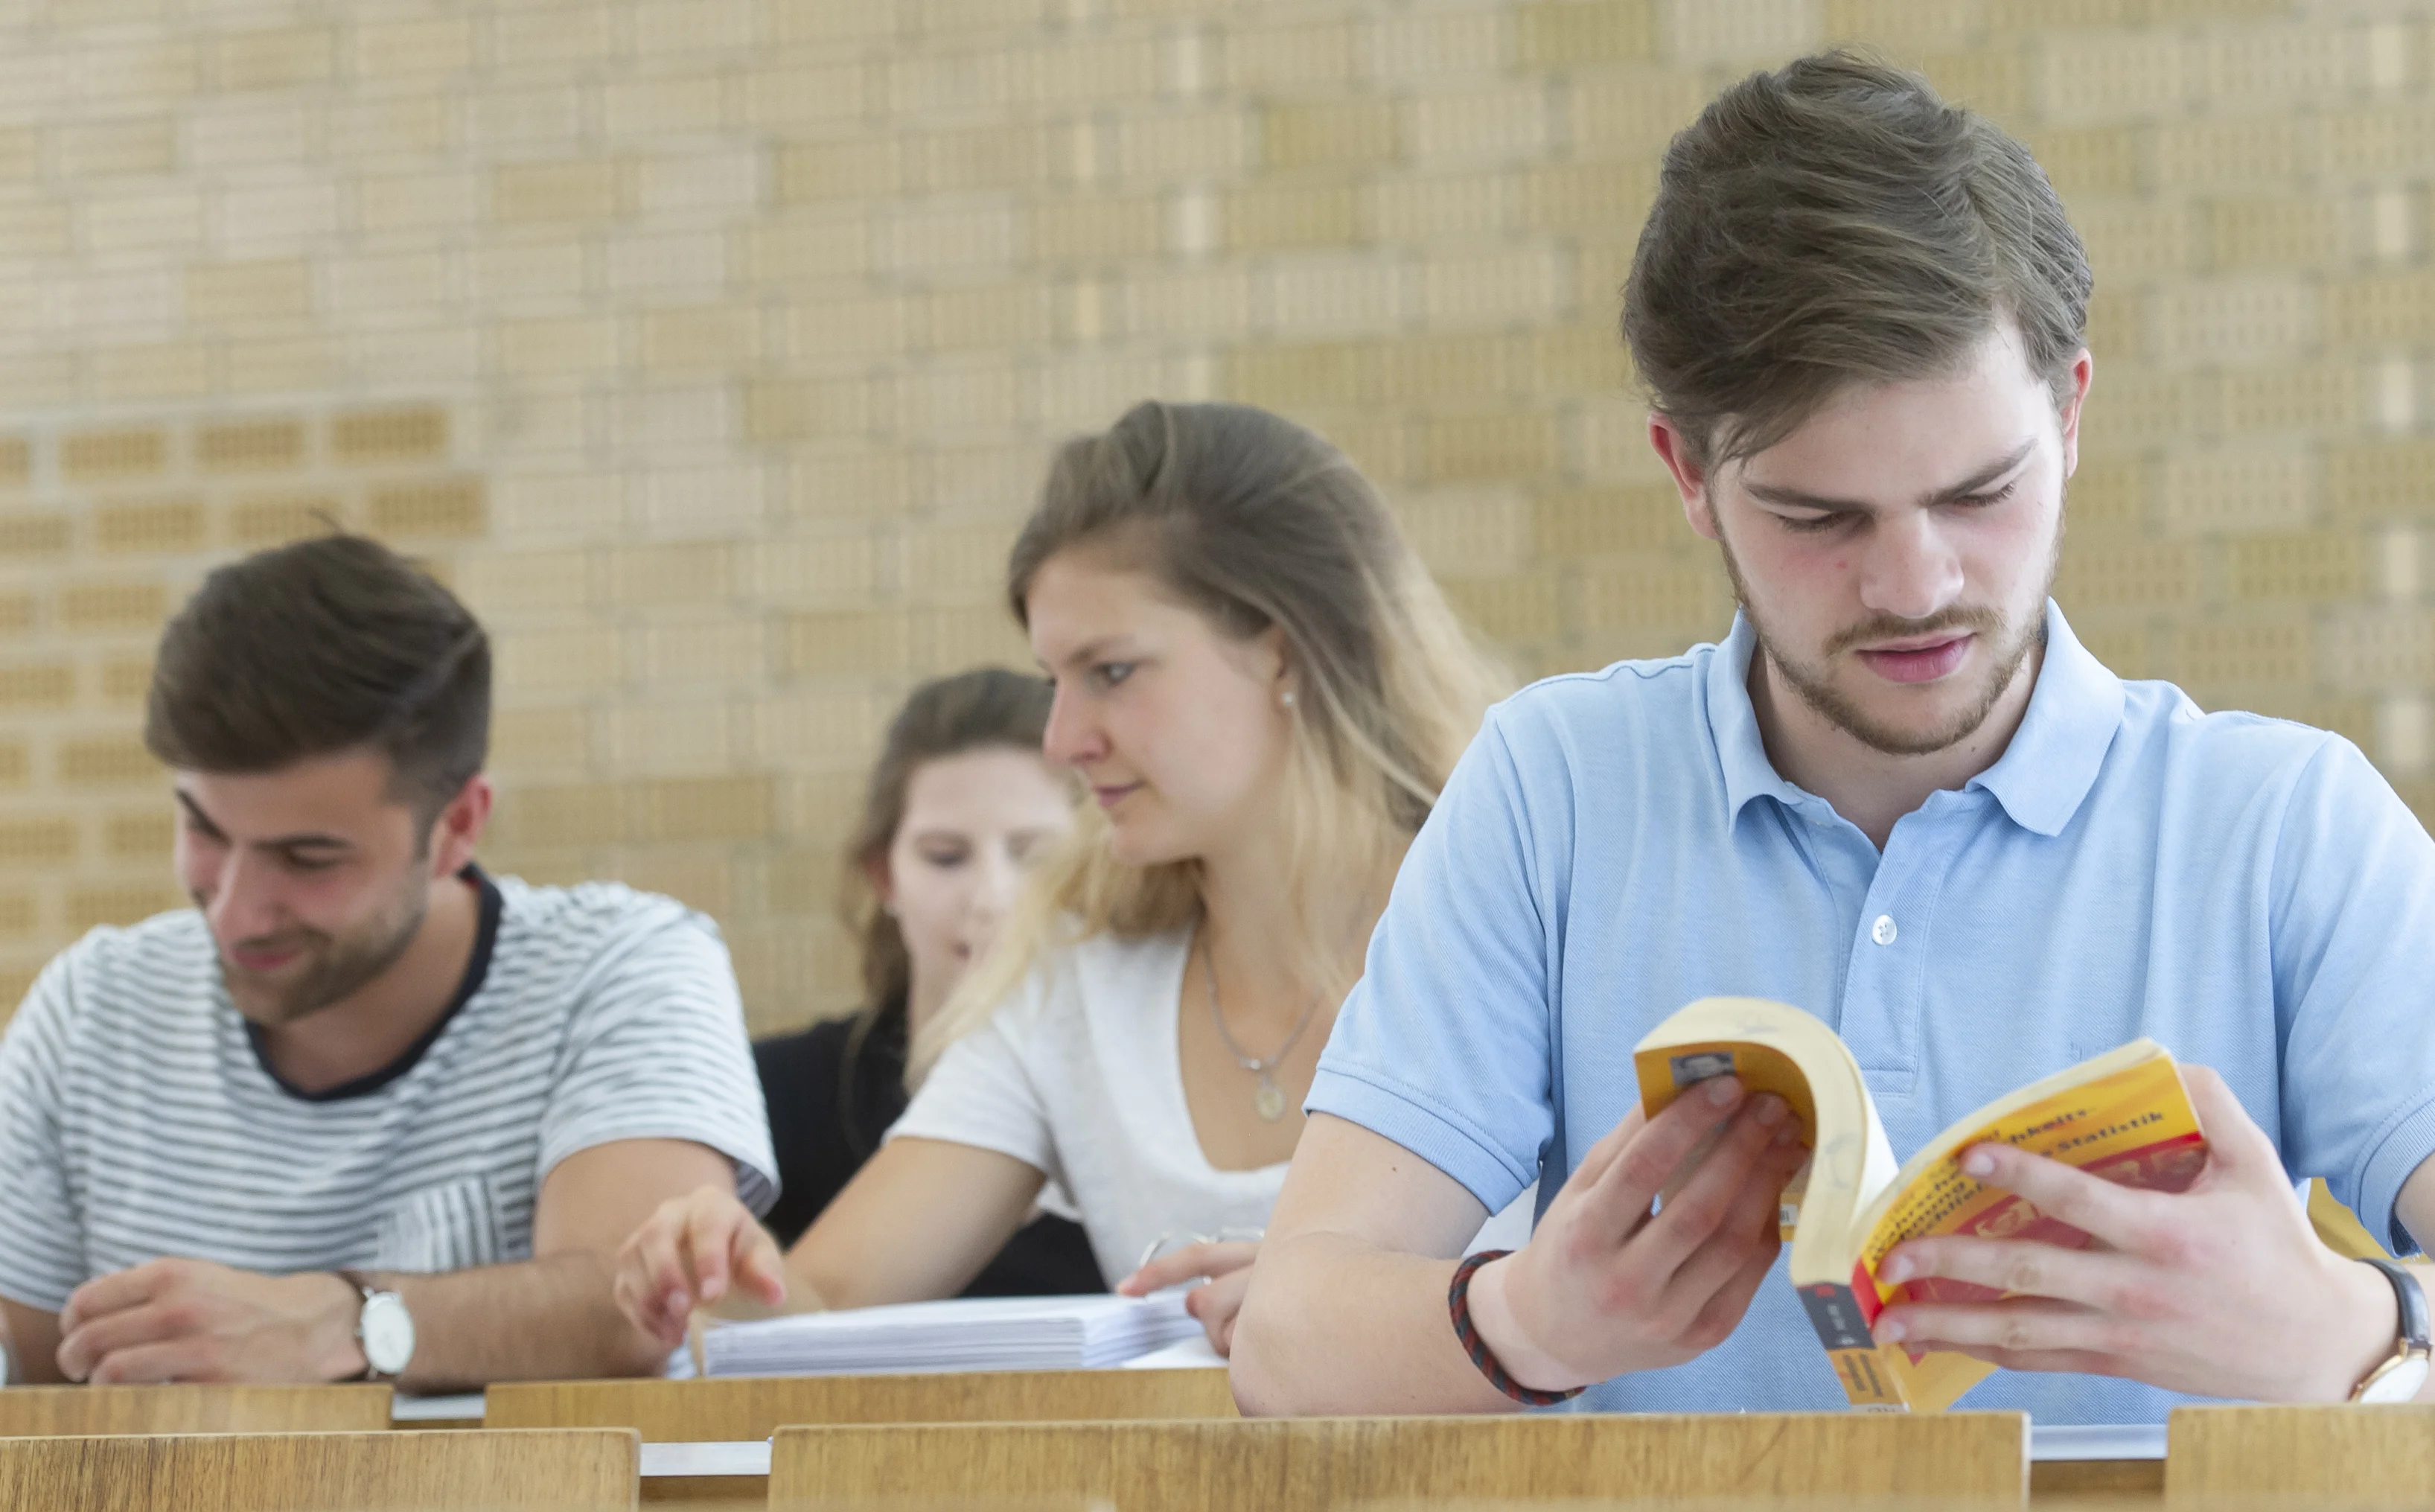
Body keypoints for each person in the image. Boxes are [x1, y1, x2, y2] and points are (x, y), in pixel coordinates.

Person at [1233, 54, 2435, 1421]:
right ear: (1687, 476)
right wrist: (1525, 1319)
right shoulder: (1552, 790)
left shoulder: (2285, 824)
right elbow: (1289, 1343)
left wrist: (2355, 1330)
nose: (1916, 585)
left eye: (1980, 490)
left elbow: (2373, 1331)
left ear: (2073, 412)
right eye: (1820, 518)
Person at [613, 400, 1513, 1356]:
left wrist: (1342, 1304)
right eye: (1054, 682)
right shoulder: (1071, 978)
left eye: (1111, 673)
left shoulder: (1521, 917)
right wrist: (723, 1267)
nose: (1061, 741)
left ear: (1281, 648)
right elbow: (830, 1303)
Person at [0, 534, 776, 1391]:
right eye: (204, 831)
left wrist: (350, 1326)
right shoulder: (92, 1006)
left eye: (308, 858)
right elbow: (29, 1361)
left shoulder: (618, 966)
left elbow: (626, 1311)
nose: (235, 908)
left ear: (457, 827)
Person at [752, 666, 1102, 1294]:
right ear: (884, 876)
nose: (993, 896)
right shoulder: (774, 1098)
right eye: (946, 856)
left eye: (1035, 855)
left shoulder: (1154, 1099)